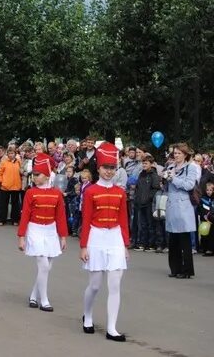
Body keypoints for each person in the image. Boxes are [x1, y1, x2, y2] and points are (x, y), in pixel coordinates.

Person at [80, 142, 130, 342]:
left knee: (115, 284)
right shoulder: (91, 191)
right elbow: (85, 220)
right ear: (98, 168)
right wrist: (83, 246)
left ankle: (112, 328)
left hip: (115, 237)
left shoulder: (120, 192)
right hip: (96, 237)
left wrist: (125, 245)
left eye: (112, 168)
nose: (109, 171)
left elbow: (124, 220)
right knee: (94, 285)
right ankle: (88, 315)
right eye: (105, 167)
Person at [18, 153, 67, 312]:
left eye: (37, 175)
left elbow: (60, 216)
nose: (34, 178)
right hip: (35, 229)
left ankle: (33, 295)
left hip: (51, 230)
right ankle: (44, 300)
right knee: (43, 265)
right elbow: (25, 214)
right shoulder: (30, 193)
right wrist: (21, 236)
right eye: (33, 175)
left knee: (47, 266)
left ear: (47, 175)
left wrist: (63, 236)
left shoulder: (57, 193)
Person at [165, 143, 198, 278]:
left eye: (179, 153)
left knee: (184, 240)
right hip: (172, 206)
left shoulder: (191, 167)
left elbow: (189, 185)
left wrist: (173, 178)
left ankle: (187, 270)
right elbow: (168, 186)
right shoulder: (171, 166)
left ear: (185, 154)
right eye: (175, 153)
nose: (176, 155)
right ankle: (175, 268)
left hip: (183, 206)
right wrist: (165, 179)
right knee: (173, 240)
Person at [133, 155, 161, 251]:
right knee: (142, 224)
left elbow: (156, 188)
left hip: (149, 203)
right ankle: (143, 243)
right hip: (140, 203)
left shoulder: (154, 175)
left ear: (151, 164)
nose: (144, 165)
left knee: (151, 224)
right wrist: (137, 198)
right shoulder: (141, 174)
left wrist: (149, 198)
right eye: (143, 163)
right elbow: (138, 187)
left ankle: (151, 244)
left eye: (146, 163)